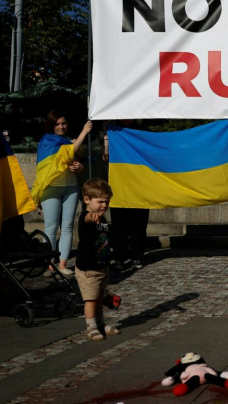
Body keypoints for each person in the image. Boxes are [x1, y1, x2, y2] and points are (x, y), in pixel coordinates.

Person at [33, 112, 92, 276]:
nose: (61, 127)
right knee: (50, 227)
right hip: (51, 188)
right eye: (57, 124)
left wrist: (79, 167)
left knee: (67, 227)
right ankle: (49, 264)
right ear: (51, 125)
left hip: (71, 187)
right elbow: (69, 151)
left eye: (63, 123)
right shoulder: (47, 141)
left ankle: (63, 264)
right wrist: (84, 132)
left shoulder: (70, 141)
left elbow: (79, 159)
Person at [75, 178, 119, 341]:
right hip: (88, 269)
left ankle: (100, 323)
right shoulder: (85, 217)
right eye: (100, 201)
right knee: (91, 299)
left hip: (102, 266)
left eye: (107, 202)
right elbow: (86, 219)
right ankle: (91, 326)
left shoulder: (104, 220)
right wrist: (91, 217)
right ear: (87, 200)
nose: (104, 205)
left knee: (100, 297)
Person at [103, 120, 150, 270]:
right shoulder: (112, 130)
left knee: (139, 223)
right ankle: (120, 257)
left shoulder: (143, 130)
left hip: (140, 184)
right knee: (119, 224)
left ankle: (137, 255)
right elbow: (105, 156)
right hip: (119, 185)